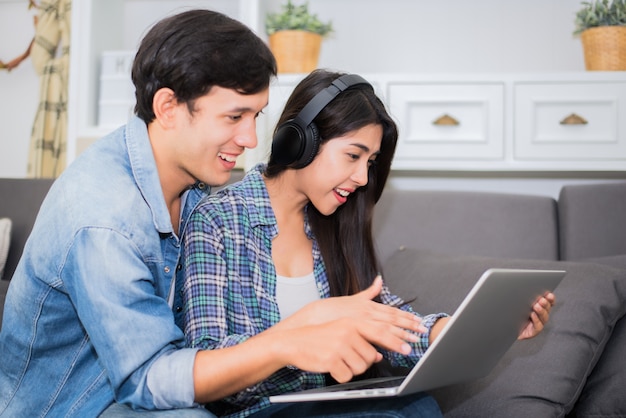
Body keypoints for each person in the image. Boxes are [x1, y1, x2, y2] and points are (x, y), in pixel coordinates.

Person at [179, 69, 557, 417]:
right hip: (257, 411)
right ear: (300, 142)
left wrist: (482, 328)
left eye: (370, 162)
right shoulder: (217, 220)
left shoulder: (335, 222)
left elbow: (387, 319)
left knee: (417, 406)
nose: (362, 177)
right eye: (353, 156)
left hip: (324, 406)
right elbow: (208, 360)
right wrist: (303, 338)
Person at [0, 9, 277, 417]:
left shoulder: (194, 184)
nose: (250, 138)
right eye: (234, 117)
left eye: (256, 116)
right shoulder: (104, 218)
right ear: (167, 107)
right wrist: (283, 344)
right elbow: (149, 378)